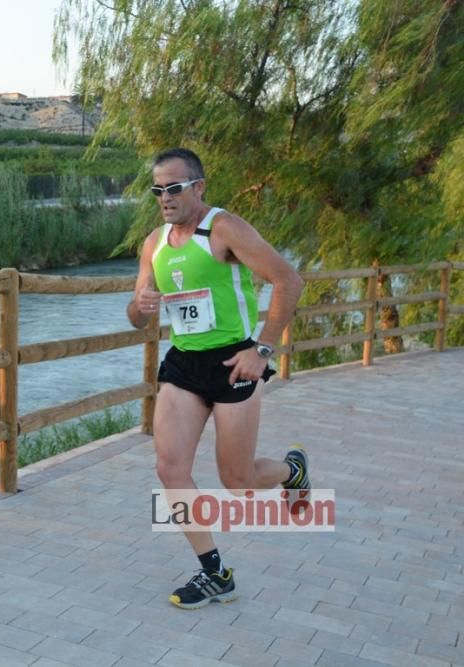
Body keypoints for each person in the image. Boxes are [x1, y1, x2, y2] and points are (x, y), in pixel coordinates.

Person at [127, 148, 308, 609]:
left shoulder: (224, 228)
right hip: (184, 364)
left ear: (198, 187)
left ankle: (292, 471)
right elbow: (135, 315)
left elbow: (288, 280)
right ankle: (215, 573)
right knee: (170, 467)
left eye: (174, 187)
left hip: (234, 363)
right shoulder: (154, 243)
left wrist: (262, 348)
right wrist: (141, 307)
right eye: (158, 190)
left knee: (239, 480)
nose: (165, 197)